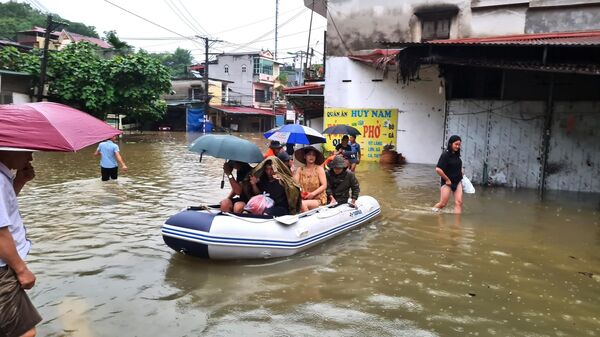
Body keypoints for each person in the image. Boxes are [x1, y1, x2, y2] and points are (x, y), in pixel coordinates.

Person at [0, 150, 42, 337]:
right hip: (2, 269)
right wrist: (21, 270)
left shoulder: (3, 177)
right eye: (27, 152)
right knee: (25, 332)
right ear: (7, 149)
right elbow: (0, 231)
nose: (30, 158)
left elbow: (4, 209)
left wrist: (19, 182)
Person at [433, 135, 464, 214]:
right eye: (456, 144)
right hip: (447, 182)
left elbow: (456, 166)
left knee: (459, 203)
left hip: (457, 182)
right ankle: (432, 212)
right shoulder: (445, 155)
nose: (458, 146)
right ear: (450, 144)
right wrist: (447, 179)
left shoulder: (457, 156)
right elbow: (438, 169)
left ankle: (457, 225)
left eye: (459, 145)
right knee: (443, 204)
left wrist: (461, 172)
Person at [293, 146, 327, 212]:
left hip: (318, 199)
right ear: (305, 156)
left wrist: (312, 194)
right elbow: (295, 185)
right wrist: (301, 193)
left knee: (302, 204)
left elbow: (324, 185)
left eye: (313, 155)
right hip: (304, 198)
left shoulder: (319, 169)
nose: (311, 157)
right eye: (309, 154)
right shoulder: (300, 170)